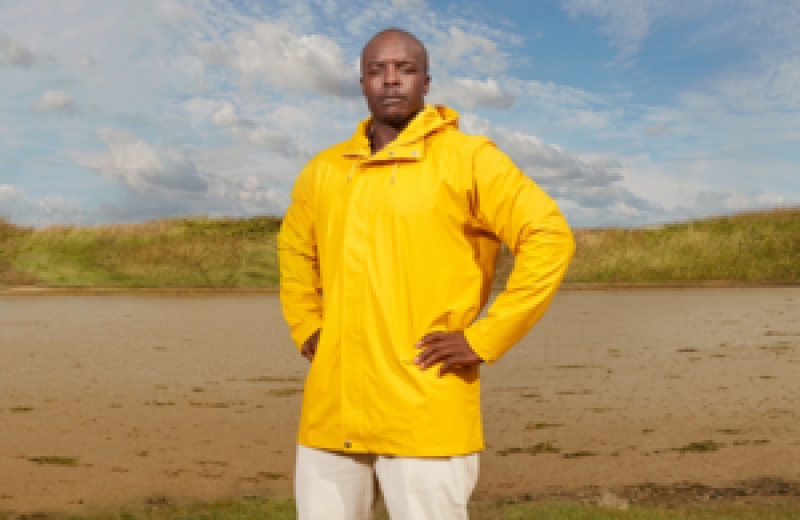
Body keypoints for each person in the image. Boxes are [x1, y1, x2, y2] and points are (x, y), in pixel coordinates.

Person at [278, 27, 575, 520]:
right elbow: (294, 250)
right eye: (377, 70)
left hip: (425, 404)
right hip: (333, 410)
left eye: (404, 69)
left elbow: (548, 236)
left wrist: (485, 339)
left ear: (427, 82)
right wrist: (307, 325)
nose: (390, 80)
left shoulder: (470, 159)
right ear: (362, 82)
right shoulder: (324, 170)